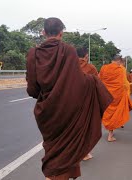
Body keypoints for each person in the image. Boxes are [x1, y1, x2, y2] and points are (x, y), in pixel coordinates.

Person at [26, 17, 113, 180]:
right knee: (69, 149)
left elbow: (32, 89)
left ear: (43, 32)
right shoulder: (68, 50)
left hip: (47, 113)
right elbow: (77, 81)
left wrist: (47, 94)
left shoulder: (34, 54)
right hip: (68, 110)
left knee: (53, 149)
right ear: (61, 33)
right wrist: (92, 80)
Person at [99, 55, 132, 142]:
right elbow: (124, 83)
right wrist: (127, 93)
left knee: (108, 113)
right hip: (117, 96)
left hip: (106, 95)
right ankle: (110, 135)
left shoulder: (104, 68)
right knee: (116, 114)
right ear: (119, 61)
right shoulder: (121, 69)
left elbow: (99, 80)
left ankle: (110, 133)